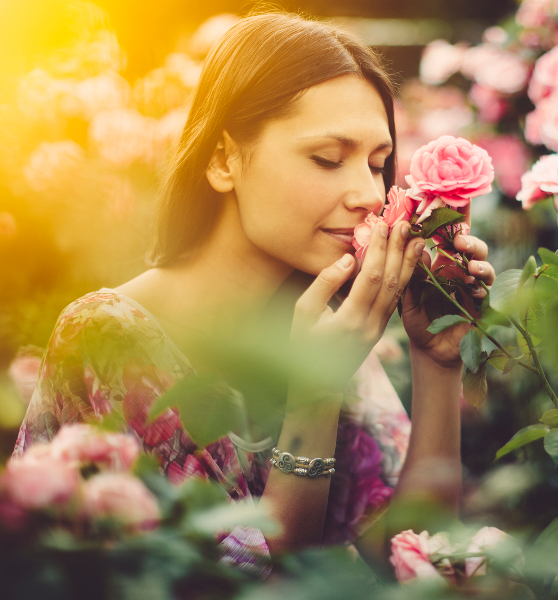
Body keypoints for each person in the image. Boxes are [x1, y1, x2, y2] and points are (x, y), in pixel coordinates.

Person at [12, 12, 496, 576]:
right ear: (222, 160)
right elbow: (245, 585)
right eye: (326, 159)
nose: (368, 193)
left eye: (378, 164)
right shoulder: (107, 337)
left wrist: (437, 361)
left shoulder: (320, 321)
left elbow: (416, 555)